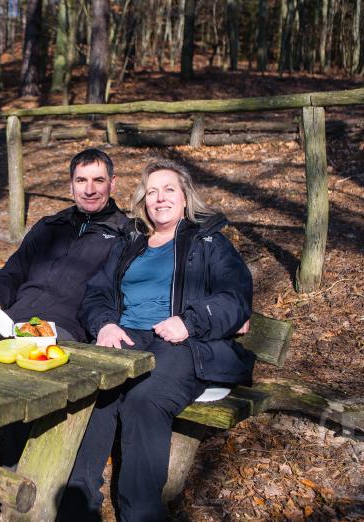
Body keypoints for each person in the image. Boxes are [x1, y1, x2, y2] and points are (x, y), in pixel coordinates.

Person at [61, 159, 255, 521]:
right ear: (143, 201)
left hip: (182, 344)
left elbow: (235, 297)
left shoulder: (209, 242)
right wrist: (104, 324)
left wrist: (189, 321)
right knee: (95, 395)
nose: (160, 198)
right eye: (152, 191)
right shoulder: (130, 244)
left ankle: (141, 514)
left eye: (169, 190)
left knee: (143, 400)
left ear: (185, 198)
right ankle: (77, 508)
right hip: (127, 338)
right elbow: (97, 294)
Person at [0, 148, 129, 342]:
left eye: (98, 181)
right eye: (81, 180)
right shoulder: (49, 226)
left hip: (61, 329)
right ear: (71, 185)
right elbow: (12, 272)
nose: (89, 190)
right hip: (11, 319)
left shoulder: (124, 235)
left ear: (112, 183)